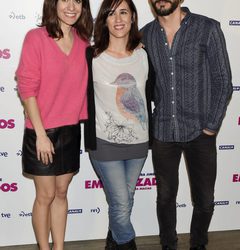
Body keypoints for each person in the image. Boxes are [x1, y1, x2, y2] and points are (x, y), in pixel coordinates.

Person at [141, 1, 233, 250]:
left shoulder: (207, 28)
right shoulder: (145, 35)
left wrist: (211, 126)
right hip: (163, 130)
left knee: (204, 200)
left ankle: (198, 245)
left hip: (200, 131)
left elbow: (223, 80)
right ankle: (168, 245)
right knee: (165, 198)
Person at [16, 0, 93, 249]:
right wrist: (40, 134)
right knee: (46, 195)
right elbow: (27, 89)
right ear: (53, 4)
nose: (71, 6)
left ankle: (59, 247)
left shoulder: (83, 44)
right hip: (41, 131)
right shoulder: (36, 38)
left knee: (61, 193)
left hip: (71, 130)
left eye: (78, 0)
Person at [84, 0, 154, 249]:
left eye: (123, 12)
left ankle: (112, 242)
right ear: (103, 20)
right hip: (104, 143)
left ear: (133, 17)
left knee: (125, 199)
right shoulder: (91, 56)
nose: (118, 19)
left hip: (138, 144)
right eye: (111, 14)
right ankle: (126, 244)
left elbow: (154, 93)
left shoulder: (144, 54)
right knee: (122, 202)